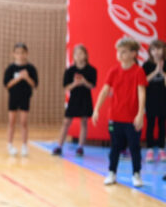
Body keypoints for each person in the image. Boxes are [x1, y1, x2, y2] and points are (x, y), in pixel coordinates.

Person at [93, 36, 148, 187]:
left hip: (132, 118)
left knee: (134, 147)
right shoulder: (113, 71)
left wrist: (140, 114)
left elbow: (141, 93)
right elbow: (104, 91)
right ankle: (112, 172)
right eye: (118, 51)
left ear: (133, 54)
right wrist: (96, 109)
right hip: (115, 117)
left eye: (123, 51)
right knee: (115, 147)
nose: (119, 54)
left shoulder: (139, 72)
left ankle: (136, 174)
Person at [53, 44, 96, 157]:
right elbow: (66, 87)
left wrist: (84, 82)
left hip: (85, 99)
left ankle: (80, 147)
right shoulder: (70, 70)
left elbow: (92, 86)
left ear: (86, 55)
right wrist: (75, 83)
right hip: (74, 99)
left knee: (84, 122)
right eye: (76, 54)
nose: (79, 56)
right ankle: (59, 146)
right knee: (66, 122)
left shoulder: (91, 70)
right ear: (73, 56)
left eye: (81, 53)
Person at [4, 43, 38, 156]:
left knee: (23, 122)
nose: (20, 55)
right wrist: (19, 78)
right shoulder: (10, 68)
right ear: (13, 54)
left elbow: (34, 84)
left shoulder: (31, 68)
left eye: (23, 52)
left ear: (27, 54)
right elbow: (7, 84)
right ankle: (9, 145)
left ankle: (24, 146)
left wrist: (26, 77)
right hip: (13, 97)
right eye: (18, 53)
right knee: (11, 122)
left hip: (25, 97)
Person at [142, 39, 166, 163]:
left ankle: (161, 149)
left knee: (162, 125)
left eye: (159, 49)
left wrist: (162, 72)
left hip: (163, 99)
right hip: (150, 99)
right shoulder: (146, 65)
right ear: (150, 51)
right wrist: (156, 71)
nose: (156, 52)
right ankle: (150, 149)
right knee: (150, 125)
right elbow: (143, 81)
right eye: (154, 49)